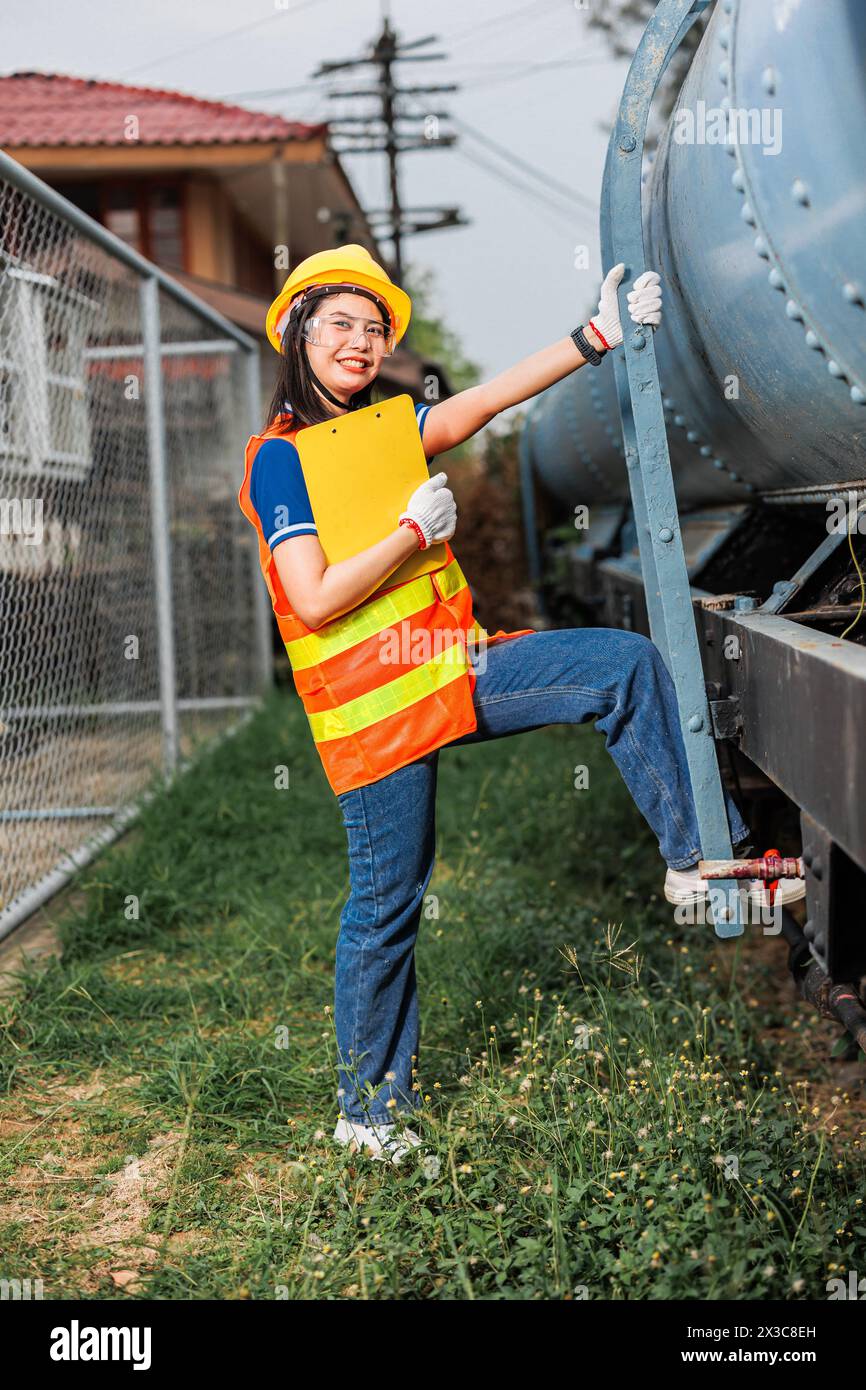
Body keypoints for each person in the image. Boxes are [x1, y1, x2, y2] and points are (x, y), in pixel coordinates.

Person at [237, 245, 804, 1167]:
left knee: (621, 666)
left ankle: (705, 864)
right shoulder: (280, 460)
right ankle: (366, 1112)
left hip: (452, 668)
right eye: (338, 321)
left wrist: (595, 338)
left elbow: (479, 405)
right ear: (299, 332)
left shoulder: (376, 431)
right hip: (375, 715)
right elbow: (313, 596)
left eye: (373, 327)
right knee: (387, 902)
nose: (360, 340)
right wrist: (410, 534)